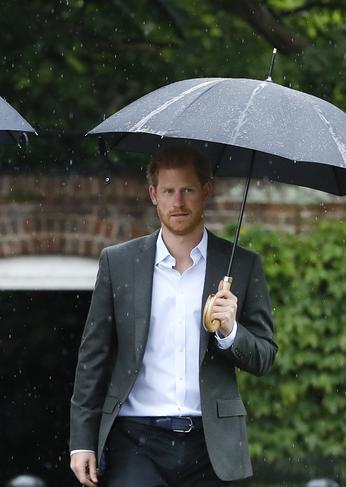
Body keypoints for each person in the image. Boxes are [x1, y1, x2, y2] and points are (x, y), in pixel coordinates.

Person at [69, 144, 277, 487]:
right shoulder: (118, 263)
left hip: (212, 446)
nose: (177, 202)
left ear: (206, 191)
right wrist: (81, 441)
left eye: (187, 190)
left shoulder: (241, 264)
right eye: (168, 191)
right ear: (153, 194)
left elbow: (265, 357)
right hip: (135, 441)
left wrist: (231, 332)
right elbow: (93, 357)